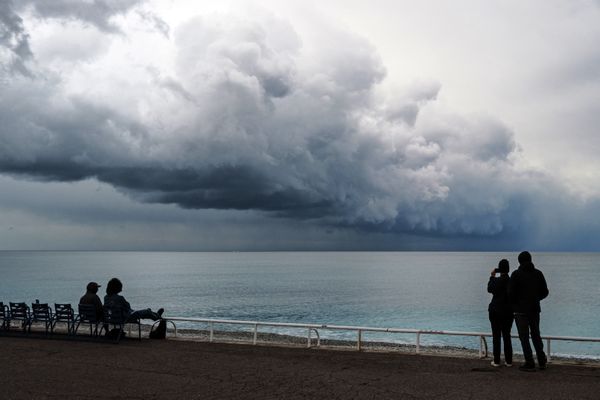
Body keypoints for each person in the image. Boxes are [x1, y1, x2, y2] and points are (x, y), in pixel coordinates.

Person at [508, 251, 549, 371]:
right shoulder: (538, 273)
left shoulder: (516, 275)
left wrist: (516, 305)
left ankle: (529, 362)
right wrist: (536, 299)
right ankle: (542, 361)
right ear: (531, 260)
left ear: (519, 261)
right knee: (536, 335)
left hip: (520, 311)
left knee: (524, 337)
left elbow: (510, 293)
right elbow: (545, 292)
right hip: (535, 309)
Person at [487, 259, 513, 367]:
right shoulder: (511, 281)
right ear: (508, 269)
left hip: (495, 311)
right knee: (507, 335)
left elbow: (489, 289)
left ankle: (496, 361)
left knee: (496, 336)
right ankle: (509, 361)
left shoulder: (496, 281)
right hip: (508, 311)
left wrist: (492, 276)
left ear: (499, 269)